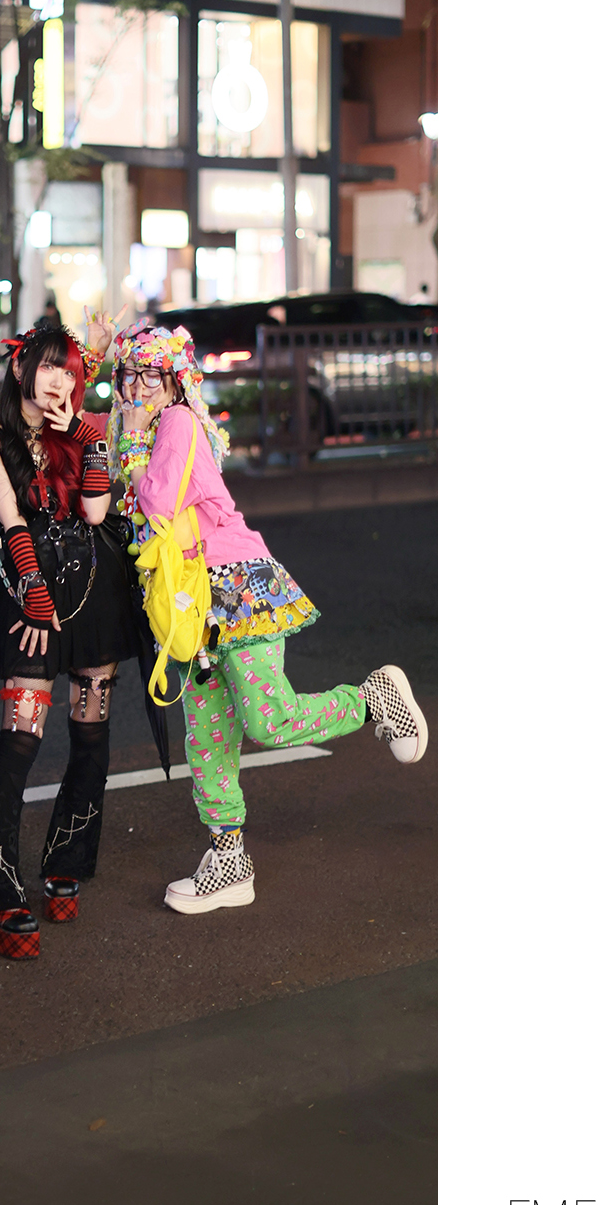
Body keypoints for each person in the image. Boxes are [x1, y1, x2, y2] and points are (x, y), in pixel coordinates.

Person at [105, 323, 428, 915]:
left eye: (152, 374)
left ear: (175, 380)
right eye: (130, 375)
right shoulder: (144, 428)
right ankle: (229, 863)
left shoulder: (176, 423)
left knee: (267, 719)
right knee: (207, 738)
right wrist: (98, 367)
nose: (140, 386)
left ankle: (372, 698)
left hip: (235, 583)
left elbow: (156, 502)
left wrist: (128, 437)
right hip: (189, 601)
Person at [0, 320, 143, 959]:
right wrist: (33, 595)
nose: (59, 381)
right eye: (47, 366)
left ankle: (67, 861)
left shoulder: (80, 431)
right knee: (20, 739)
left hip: (94, 595)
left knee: (92, 733)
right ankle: (1, 892)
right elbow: (6, 511)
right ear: (19, 369)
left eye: (69, 370)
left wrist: (87, 437)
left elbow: (94, 513)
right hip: (30, 599)